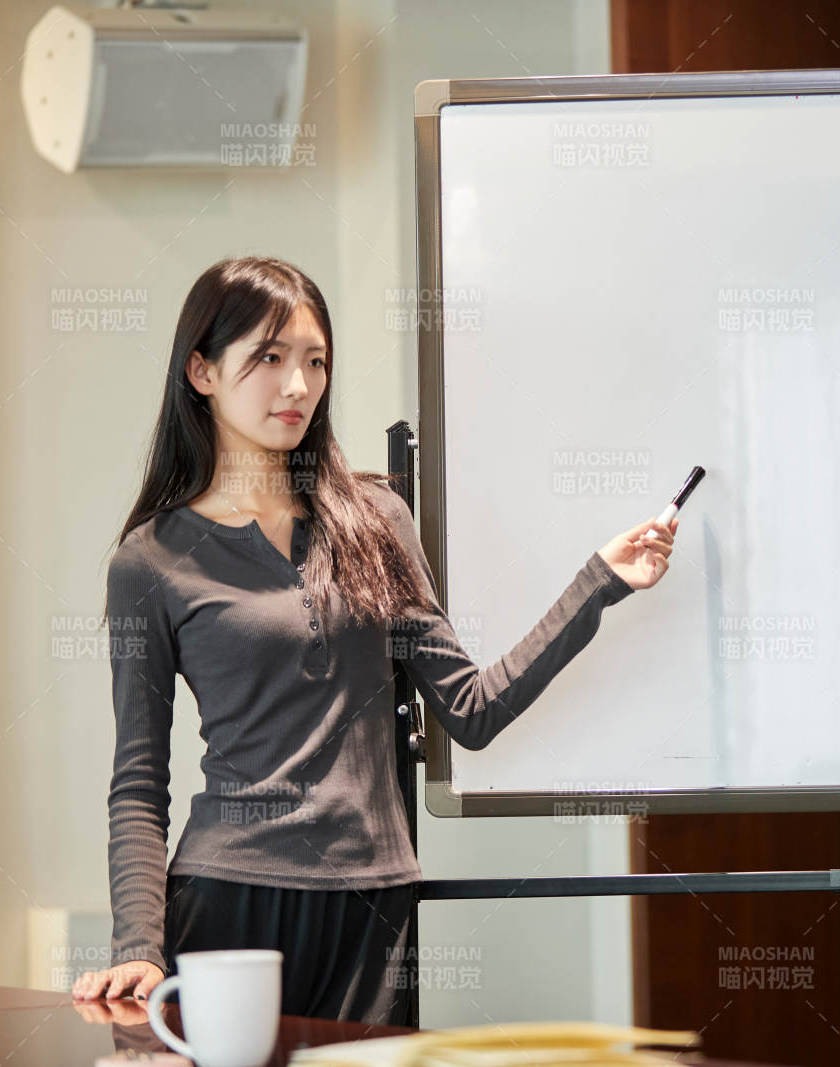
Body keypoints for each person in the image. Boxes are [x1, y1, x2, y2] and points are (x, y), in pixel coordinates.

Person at [73, 255, 678, 1023]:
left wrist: (600, 580)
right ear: (202, 371)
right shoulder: (149, 561)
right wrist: (138, 944)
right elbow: (137, 782)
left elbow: (472, 707)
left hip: (376, 904)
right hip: (228, 902)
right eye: (269, 357)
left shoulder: (376, 520)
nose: (298, 385)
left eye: (314, 360)